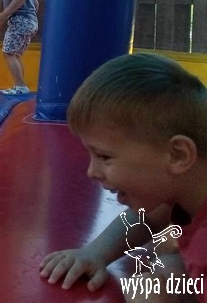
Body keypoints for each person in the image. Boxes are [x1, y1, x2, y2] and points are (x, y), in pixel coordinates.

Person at [39, 53, 207, 301]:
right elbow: (150, 216)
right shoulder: (186, 189)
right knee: (164, 265)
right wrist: (96, 253)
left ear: (177, 155)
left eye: (104, 156)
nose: (92, 172)